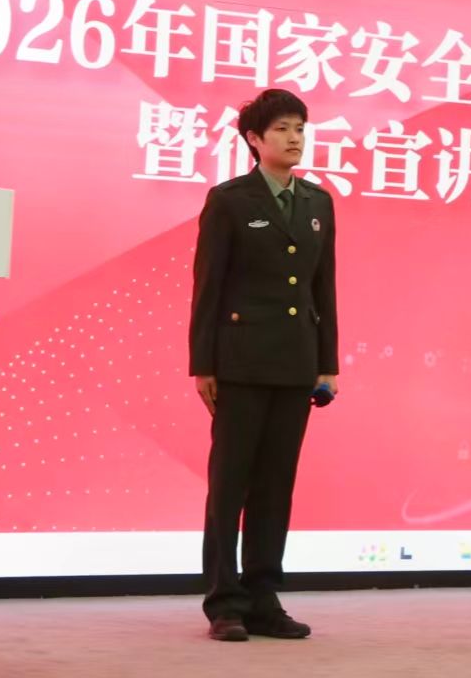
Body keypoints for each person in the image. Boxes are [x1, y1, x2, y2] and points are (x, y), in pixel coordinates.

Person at [189, 88, 339, 642]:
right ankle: (224, 601)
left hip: (296, 363)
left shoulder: (319, 202)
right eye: (282, 128)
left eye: (300, 127)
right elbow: (208, 287)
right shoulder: (230, 200)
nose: (295, 138)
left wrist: (327, 363)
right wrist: (203, 364)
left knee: (276, 485)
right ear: (254, 139)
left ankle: (263, 596)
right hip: (241, 362)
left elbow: (324, 288)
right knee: (230, 484)